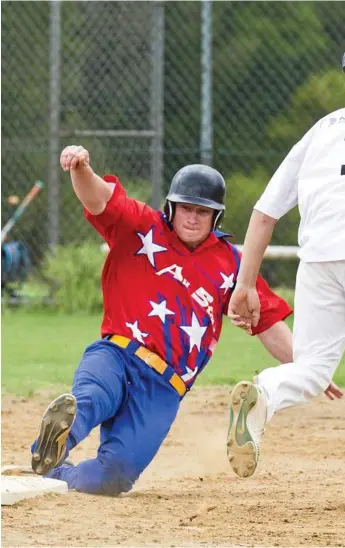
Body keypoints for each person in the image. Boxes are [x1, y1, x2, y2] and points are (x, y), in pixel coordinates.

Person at [31, 147, 339, 495]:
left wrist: (305, 367)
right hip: (116, 355)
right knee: (92, 397)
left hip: (165, 389)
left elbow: (265, 321)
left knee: (115, 477)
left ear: (216, 217)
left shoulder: (232, 265)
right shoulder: (141, 227)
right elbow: (100, 199)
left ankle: (53, 476)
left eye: (202, 211)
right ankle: (57, 438)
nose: (192, 218)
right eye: (186, 208)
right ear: (171, 207)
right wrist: (81, 168)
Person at [226, 55, 345, 480]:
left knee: (311, 370)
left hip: (317, 261)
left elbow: (264, 213)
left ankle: (264, 393)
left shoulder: (323, 129)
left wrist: (245, 285)